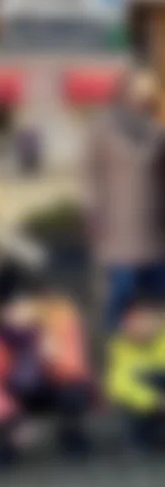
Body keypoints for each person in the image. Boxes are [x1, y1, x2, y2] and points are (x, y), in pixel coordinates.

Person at [0, 266, 92, 463]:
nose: (22, 310)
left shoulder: (58, 318)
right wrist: (9, 419)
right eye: (13, 305)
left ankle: (71, 432)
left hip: (50, 388)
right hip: (13, 394)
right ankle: (5, 444)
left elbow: (76, 369)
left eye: (27, 302)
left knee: (77, 391)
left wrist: (53, 354)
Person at [88, 77, 165, 329]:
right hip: (118, 235)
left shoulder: (157, 134)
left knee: (155, 303)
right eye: (135, 97)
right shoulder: (105, 134)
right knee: (121, 297)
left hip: (153, 235)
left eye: (146, 99)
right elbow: (92, 179)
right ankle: (115, 354)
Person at [105, 297, 165, 449]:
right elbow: (118, 383)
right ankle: (143, 437)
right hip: (148, 402)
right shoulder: (119, 345)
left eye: (146, 319)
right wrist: (154, 401)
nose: (142, 325)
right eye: (135, 320)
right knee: (132, 391)